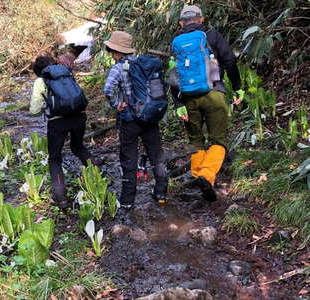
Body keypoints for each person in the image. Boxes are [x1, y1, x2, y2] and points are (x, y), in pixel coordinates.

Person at [171, 5, 244, 202]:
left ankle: (198, 178)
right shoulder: (212, 35)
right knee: (218, 140)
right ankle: (206, 176)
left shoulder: (177, 43)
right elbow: (229, 61)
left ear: (180, 23)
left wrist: (177, 104)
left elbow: (174, 75)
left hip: (188, 98)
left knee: (195, 140)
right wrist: (237, 87)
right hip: (214, 92)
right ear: (201, 19)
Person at [103, 31, 168, 209]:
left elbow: (108, 89)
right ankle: (161, 193)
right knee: (156, 156)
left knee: (129, 159)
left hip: (129, 120)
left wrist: (116, 104)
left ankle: (127, 202)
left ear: (117, 52)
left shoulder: (118, 68)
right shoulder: (144, 63)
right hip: (149, 117)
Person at [30, 55, 95, 209]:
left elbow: (34, 110)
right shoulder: (66, 73)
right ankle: (97, 176)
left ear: (38, 71)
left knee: (55, 158)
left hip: (58, 122)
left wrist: (43, 108)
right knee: (78, 147)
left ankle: (61, 198)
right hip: (79, 116)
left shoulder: (41, 81)